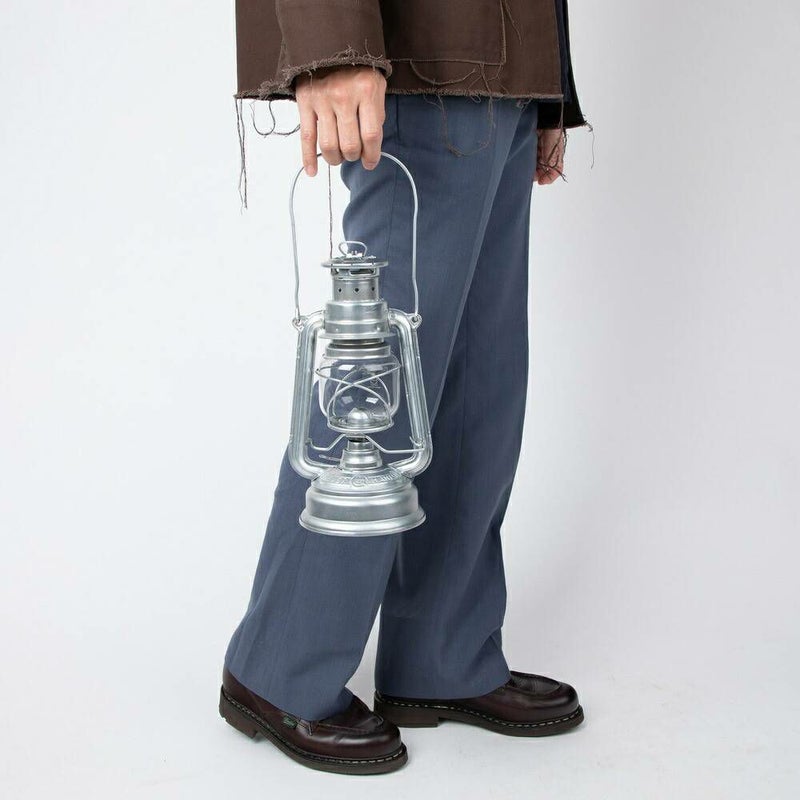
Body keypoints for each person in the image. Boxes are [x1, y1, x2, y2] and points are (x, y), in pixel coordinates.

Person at [220, 0, 590, 775]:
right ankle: (280, 666)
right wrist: (333, 47)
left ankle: (441, 654)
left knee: (480, 382)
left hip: (504, 65)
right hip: (414, 56)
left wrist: (547, 84)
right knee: (372, 379)